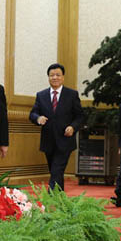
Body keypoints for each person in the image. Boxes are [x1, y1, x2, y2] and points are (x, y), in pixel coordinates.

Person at [29, 63, 84, 191]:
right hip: (48, 140)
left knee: (57, 169)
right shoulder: (41, 95)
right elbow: (32, 113)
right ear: (48, 77)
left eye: (58, 75)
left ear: (63, 77)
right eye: (52, 75)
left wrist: (73, 127)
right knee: (56, 172)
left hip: (65, 139)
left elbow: (80, 116)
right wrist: (38, 118)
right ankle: (60, 201)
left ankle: (50, 198)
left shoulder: (71, 94)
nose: (55, 77)